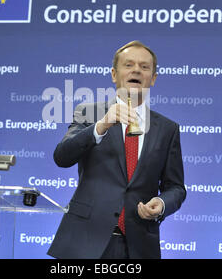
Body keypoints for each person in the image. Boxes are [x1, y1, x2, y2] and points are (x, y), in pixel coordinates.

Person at [47, 40, 186, 259]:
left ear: (153, 79)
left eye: (144, 67)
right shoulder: (89, 113)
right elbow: (62, 157)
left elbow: (176, 187)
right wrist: (101, 125)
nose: (136, 71)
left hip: (139, 245)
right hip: (86, 241)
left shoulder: (168, 129)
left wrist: (160, 204)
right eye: (129, 65)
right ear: (114, 74)